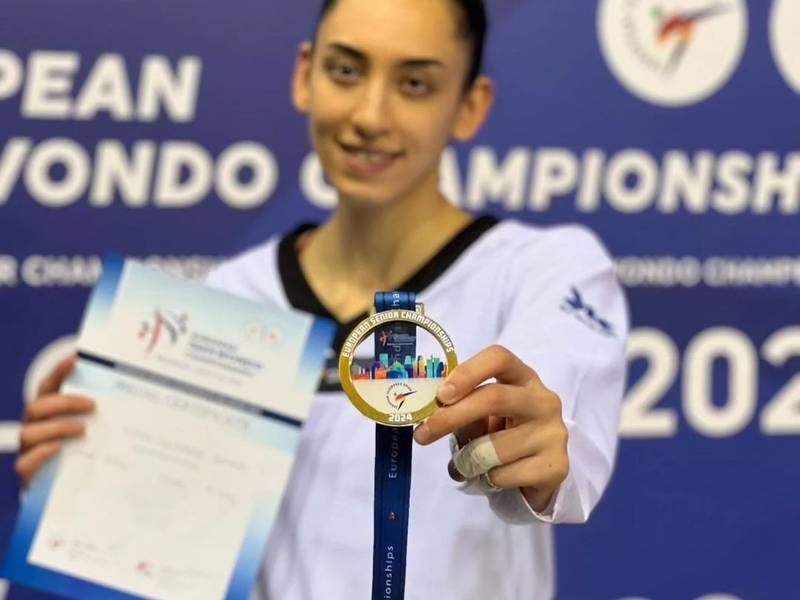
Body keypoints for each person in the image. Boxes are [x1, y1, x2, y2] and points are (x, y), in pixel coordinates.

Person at [15, 0, 629, 598]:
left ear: (470, 106)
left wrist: (541, 451)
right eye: (345, 70)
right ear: (304, 75)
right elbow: (167, 558)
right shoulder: (226, 301)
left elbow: (556, 442)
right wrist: (89, 491)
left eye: (414, 84)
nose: (370, 115)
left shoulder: (542, 270)